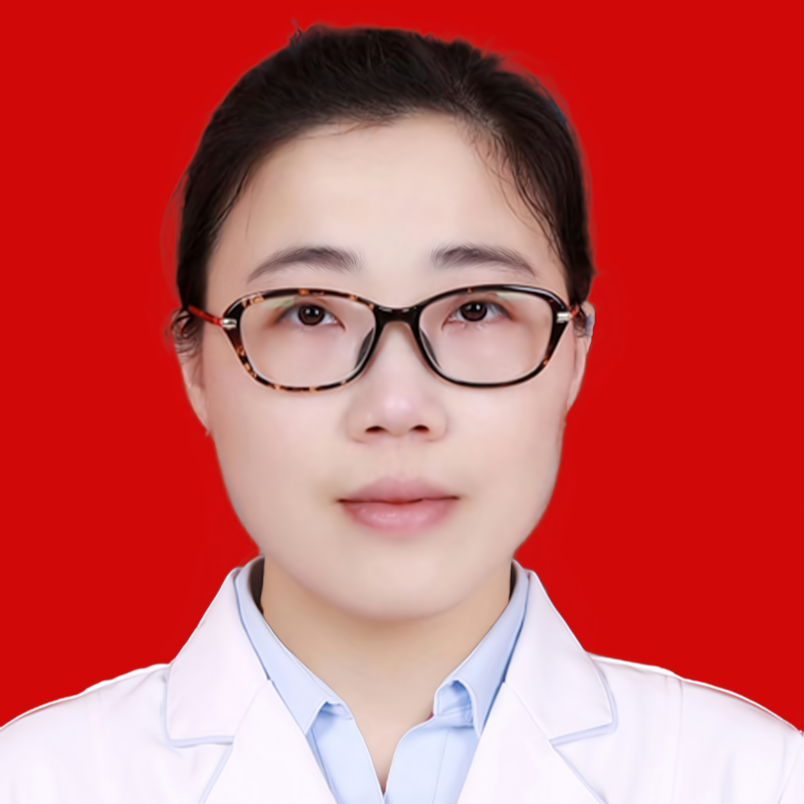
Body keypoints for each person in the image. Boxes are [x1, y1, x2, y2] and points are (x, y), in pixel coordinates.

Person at [0, 24, 800, 804]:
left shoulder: (756, 780)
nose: (396, 407)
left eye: (477, 309)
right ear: (196, 363)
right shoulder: (35, 781)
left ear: (575, 354)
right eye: (309, 312)